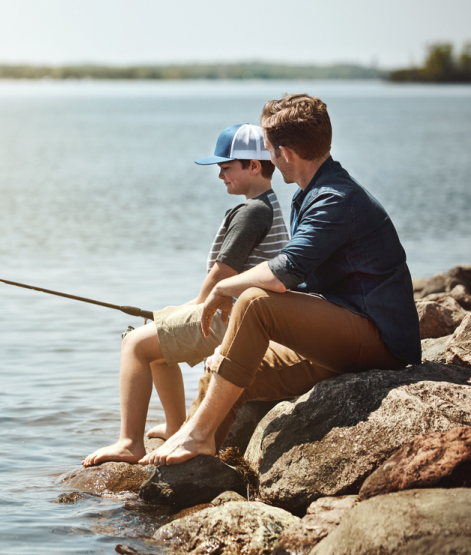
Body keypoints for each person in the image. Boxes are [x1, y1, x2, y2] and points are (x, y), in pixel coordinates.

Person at [148, 94, 422, 467]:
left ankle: (196, 436)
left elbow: (284, 272)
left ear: (286, 153)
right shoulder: (311, 195)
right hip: (343, 332)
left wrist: (223, 287)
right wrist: (228, 347)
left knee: (254, 301)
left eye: (271, 152)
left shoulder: (335, 199)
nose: (271, 161)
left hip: (377, 341)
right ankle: (199, 463)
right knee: (217, 372)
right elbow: (303, 281)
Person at [82, 124, 289, 467]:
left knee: (135, 344)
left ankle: (130, 443)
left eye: (227, 168)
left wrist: (195, 307)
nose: (221, 175)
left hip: (229, 319)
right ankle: (178, 426)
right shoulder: (268, 205)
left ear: (254, 165)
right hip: (240, 315)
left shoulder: (252, 212)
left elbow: (224, 272)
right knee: (158, 343)